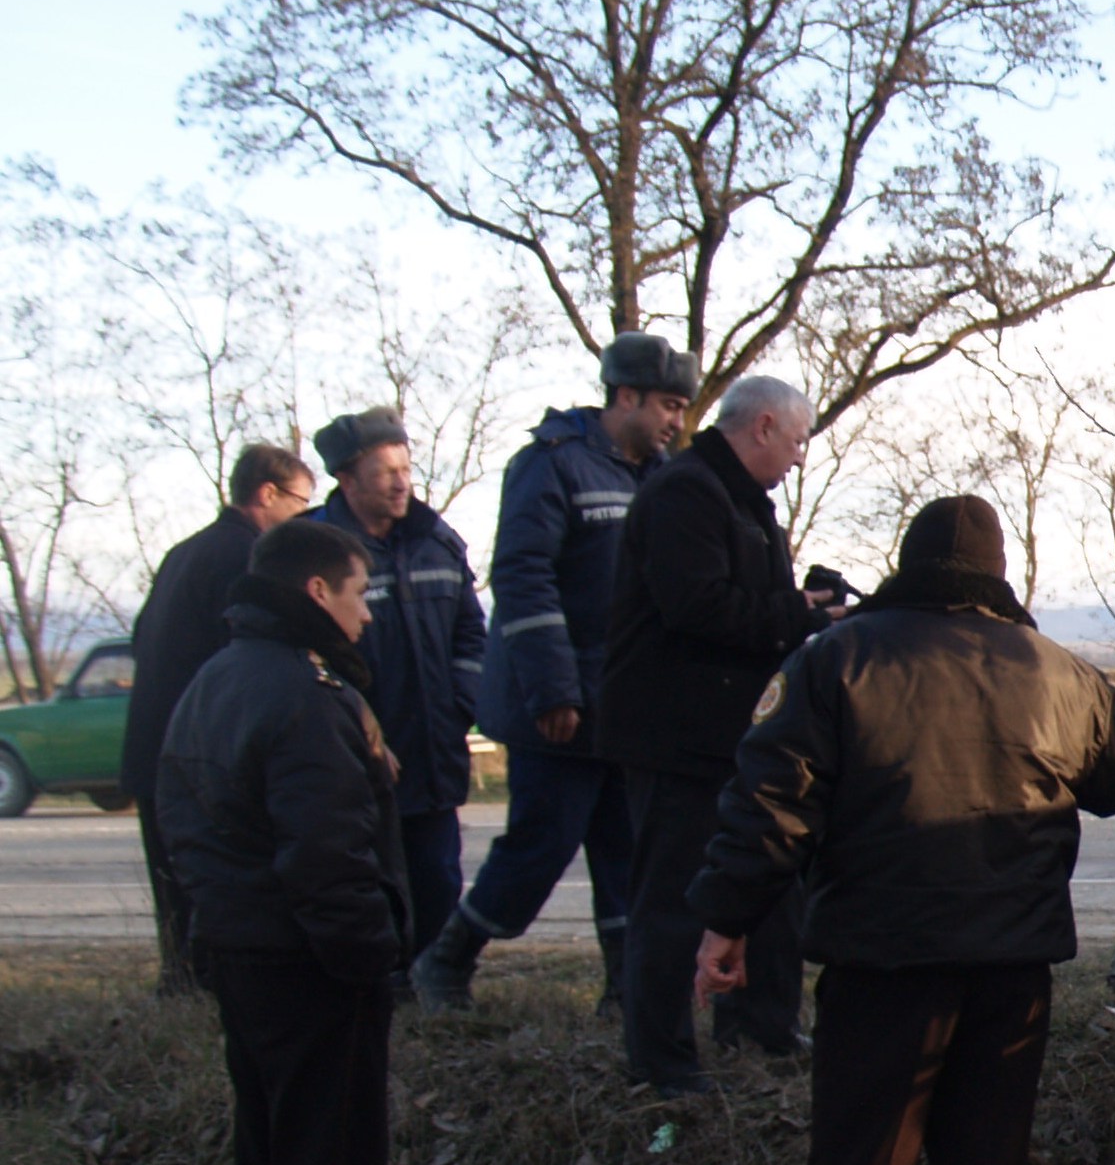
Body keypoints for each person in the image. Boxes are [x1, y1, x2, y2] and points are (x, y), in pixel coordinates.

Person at [688, 495, 1115, 1165]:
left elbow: (769, 802)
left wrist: (726, 920)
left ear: (905, 562)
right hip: (1011, 971)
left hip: (881, 965)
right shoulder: (1058, 671)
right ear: (995, 577)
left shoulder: (837, 658)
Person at [154, 516, 410, 1165]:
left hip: (245, 957)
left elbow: (182, 823)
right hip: (312, 972)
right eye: (357, 595)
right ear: (316, 594)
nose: (367, 617)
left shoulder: (216, 678)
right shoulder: (309, 698)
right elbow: (328, 861)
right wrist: (371, 961)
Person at [411, 334, 700, 1014]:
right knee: (540, 846)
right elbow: (522, 574)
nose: (676, 422)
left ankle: (625, 989)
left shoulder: (658, 477)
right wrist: (554, 689)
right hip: (558, 709)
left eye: (683, 408)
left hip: (623, 707)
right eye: (666, 404)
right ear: (624, 397)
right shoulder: (552, 466)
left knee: (624, 850)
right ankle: (446, 963)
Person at [599, 372, 835, 1095]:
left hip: (737, 738)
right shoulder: (685, 494)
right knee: (673, 900)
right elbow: (697, 606)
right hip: (676, 737)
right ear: (762, 426)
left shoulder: (744, 505)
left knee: (769, 880)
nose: (799, 458)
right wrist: (799, 612)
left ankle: (763, 1024)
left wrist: (806, 608)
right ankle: (663, 1061)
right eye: (796, 441)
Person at [120, 443, 317, 995]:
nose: (305, 515)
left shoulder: (183, 553)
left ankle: (180, 985)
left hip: (153, 749)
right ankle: (210, 989)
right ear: (267, 494)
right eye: (302, 502)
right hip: (202, 756)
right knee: (214, 887)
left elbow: (141, 639)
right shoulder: (249, 558)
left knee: (173, 895)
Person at [313, 408, 486, 963]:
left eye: (405, 468)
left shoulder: (438, 542)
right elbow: (309, 658)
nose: (400, 481)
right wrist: (356, 729)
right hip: (358, 760)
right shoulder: (319, 551)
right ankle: (383, 986)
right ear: (347, 478)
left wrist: (460, 704)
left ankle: (434, 984)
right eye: (384, 470)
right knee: (372, 882)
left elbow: (471, 637)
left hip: (433, 753)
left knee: (438, 877)